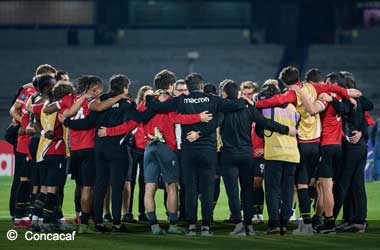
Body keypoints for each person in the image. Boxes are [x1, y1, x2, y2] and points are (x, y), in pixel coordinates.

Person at [145, 72, 262, 236]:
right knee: (207, 190)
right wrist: (245, 100)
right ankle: (206, 227)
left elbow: (157, 107)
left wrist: (150, 97)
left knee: (190, 189)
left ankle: (192, 227)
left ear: (188, 88)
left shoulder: (180, 100)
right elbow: (235, 105)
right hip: (208, 152)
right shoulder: (213, 100)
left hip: (188, 152)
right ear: (201, 86)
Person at [255, 66, 361, 234]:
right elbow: (332, 89)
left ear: (284, 82)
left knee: (300, 185)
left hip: (302, 144)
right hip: (318, 144)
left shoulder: (292, 93)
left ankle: (306, 224)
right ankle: (319, 220)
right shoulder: (317, 89)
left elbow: (275, 101)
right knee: (318, 184)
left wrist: (256, 102)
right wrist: (347, 93)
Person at [63, 74, 155, 233]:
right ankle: (117, 224)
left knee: (100, 186)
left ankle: (98, 223)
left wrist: (68, 122)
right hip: (118, 150)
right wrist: (153, 105)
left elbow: (88, 123)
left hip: (99, 150)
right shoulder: (127, 102)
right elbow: (140, 118)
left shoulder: (101, 101)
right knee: (117, 187)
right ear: (125, 87)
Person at [219, 79, 296, 236]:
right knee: (248, 190)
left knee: (233, 191)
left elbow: (213, 125)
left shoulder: (222, 108)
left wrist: (198, 132)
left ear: (224, 93)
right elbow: (264, 122)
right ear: (238, 93)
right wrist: (286, 129)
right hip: (247, 154)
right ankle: (249, 226)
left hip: (229, 154)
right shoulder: (248, 107)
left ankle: (239, 226)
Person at [255, 80, 300, 235]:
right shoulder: (293, 109)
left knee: (272, 191)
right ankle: (284, 224)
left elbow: (260, 132)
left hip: (274, 154)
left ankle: (273, 225)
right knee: (288, 191)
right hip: (292, 155)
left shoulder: (266, 110)